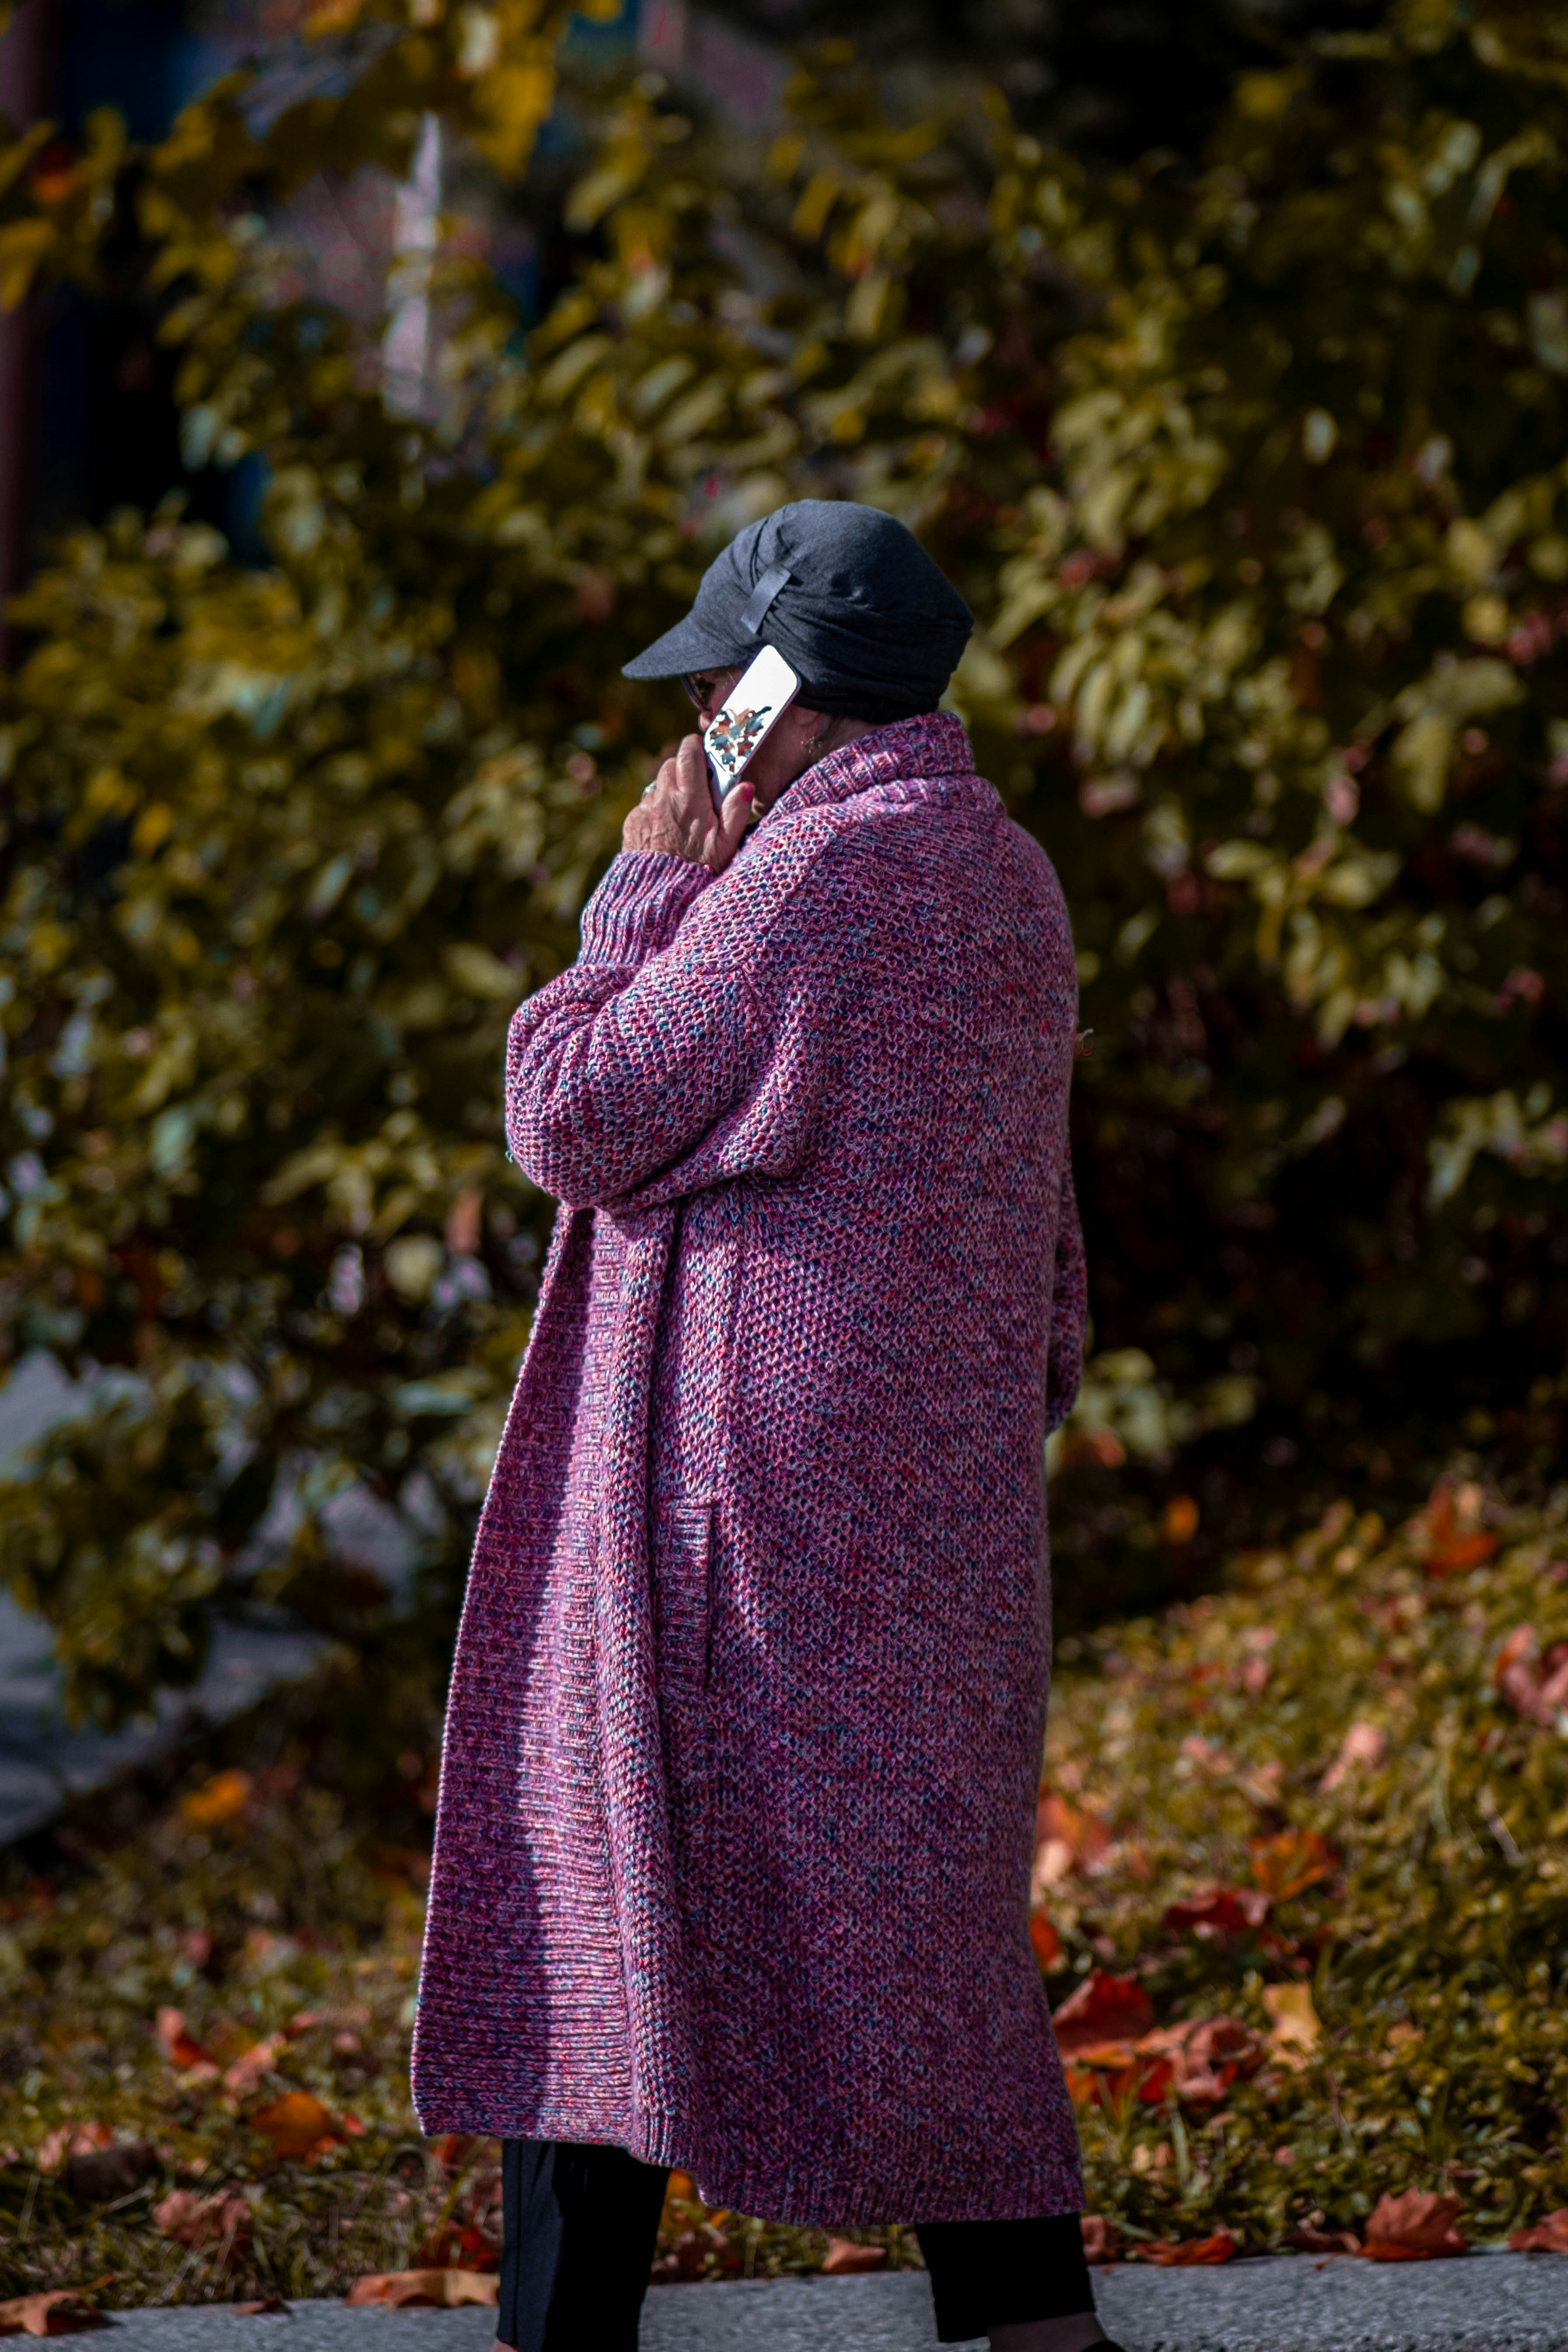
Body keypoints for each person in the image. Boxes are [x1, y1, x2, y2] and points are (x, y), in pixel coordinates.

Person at [412, 501, 1109, 2352]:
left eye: (722, 677)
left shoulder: (800, 883)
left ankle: (566, 2337)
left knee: (619, 1866)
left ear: (789, 691)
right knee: (926, 1928)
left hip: (731, 1509)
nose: (700, 710)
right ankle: (1042, 2327)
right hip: (930, 1504)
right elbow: (1043, 1215)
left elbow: (569, 1105)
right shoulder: (1008, 874)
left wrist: (646, 877)